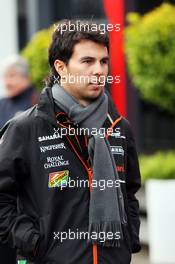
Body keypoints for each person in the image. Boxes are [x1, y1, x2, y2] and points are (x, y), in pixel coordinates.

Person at [0, 20, 141, 264]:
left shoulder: (120, 128)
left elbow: (129, 192)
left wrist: (129, 239)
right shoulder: (26, 128)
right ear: (61, 67)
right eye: (87, 61)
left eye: (103, 61)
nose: (99, 70)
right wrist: (33, 243)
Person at [0, 55, 38, 129]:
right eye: (5, 77)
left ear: (26, 77)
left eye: (12, 76)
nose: (7, 83)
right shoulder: (2, 104)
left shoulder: (39, 100)